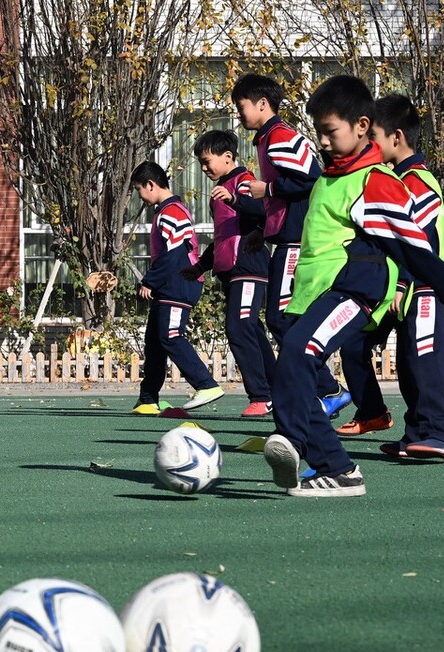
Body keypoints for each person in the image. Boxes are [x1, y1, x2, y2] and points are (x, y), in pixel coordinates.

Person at [262, 75, 444, 498]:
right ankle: (319, 456)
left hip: (355, 293)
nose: (322, 142)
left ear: (362, 127)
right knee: (292, 364)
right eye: (319, 133)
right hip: (316, 296)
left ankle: (327, 461)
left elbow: (413, 249)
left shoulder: (375, 182)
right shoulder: (329, 178)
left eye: (330, 132)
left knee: (300, 355)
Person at [335, 95, 444, 459]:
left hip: (430, 288)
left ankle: (443, 433)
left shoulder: (417, 181)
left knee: (426, 360)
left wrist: (404, 283)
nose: (368, 144)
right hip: (411, 290)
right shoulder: (396, 180)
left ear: (396, 138)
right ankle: (418, 432)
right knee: (409, 361)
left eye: (372, 135)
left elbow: (419, 241)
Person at [232, 73, 352, 418]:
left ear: (262, 104)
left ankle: (328, 390)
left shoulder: (279, 135)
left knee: (282, 319)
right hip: (285, 237)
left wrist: (266, 190)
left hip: (296, 239)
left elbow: (311, 178)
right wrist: (262, 230)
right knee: (283, 318)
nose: (239, 115)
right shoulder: (267, 137)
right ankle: (323, 391)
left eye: (241, 108)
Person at [187, 129, 275, 417]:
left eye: (206, 161)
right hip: (231, 270)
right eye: (200, 163)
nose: (203, 168)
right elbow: (223, 235)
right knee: (252, 331)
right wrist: (200, 266)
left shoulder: (245, 181)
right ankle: (277, 391)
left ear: (227, 157)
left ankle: (261, 396)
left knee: (239, 328)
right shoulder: (220, 191)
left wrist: (235, 200)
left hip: (249, 266)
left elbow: (265, 212)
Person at [129, 161, 223, 415]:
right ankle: (148, 399)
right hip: (169, 286)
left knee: (170, 337)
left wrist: (150, 280)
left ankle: (206, 385)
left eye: (139, 189)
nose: (140, 196)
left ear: (151, 184)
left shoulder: (173, 211)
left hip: (179, 284)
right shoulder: (164, 211)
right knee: (154, 343)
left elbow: (176, 253)